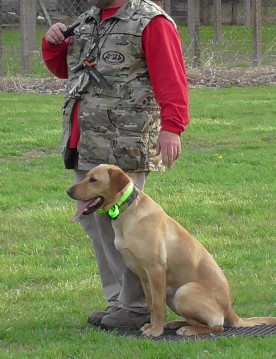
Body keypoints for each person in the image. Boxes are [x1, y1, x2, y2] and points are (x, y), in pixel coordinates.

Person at [41, 0, 189, 330]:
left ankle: (136, 306)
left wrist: (172, 127)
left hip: (125, 142)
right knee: (97, 226)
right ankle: (118, 301)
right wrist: (53, 45)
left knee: (130, 229)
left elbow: (171, 75)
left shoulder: (151, 21)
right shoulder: (89, 20)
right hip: (87, 140)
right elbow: (68, 69)